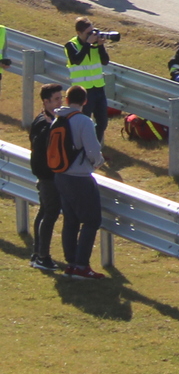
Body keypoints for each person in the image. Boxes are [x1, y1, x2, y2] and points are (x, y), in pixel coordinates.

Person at [51, 86, 108, 278]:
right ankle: (82, 266)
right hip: (80, 178)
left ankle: (71, 263)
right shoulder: (84, 121)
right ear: (85, 101)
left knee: (71, 220)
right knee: (92, 221)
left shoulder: (58, 119)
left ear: (67, 100)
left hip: (61, 175)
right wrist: (99, 162)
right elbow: (93, 150)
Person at [28, 83, 66, 272]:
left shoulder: (51, 120)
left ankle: (37, 253)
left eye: (61, 97)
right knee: (50, 213)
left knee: (45, 211)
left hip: (48, 175)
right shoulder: (43, 123)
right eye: (57, 99)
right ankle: (42, 257)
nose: (61, 101)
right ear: (46, 101)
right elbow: (41, 148)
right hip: (47, 176)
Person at [64, 18, 113, 138]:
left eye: (93, 31)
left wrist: (100, 46)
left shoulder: (94, 45)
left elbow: (105, 61)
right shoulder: (71, 45)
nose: (92, 35)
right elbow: (77, 60)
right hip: (83, 91)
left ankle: (95, 149)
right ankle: (82, 148)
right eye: (88, 33)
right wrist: (87, 44)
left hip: (98, 88)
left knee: (102, 123)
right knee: (84, 122)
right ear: (79, 33)